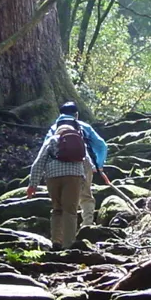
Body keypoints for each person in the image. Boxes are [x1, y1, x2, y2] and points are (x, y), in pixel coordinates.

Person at [26, 105, 94, 249]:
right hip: (73, 177)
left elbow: (38, 162)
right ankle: (68, 244)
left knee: (57, 209)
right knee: (70, 211)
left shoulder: (51, 140)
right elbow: (87, 163)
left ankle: (56, 241)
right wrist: (85, 179)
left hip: (53, 178)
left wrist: (33, 184)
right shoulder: (79, 140)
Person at [40, 101, 108, 227]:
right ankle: (87, 224)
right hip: (82, 161)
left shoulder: (54, 128)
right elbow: (102, 145)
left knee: (63, 200)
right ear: (76, 114)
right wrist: (99, 164)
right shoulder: (83, 126)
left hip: (57, 167)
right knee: (86, 195)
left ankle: (65, 230)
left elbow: (45, 148)